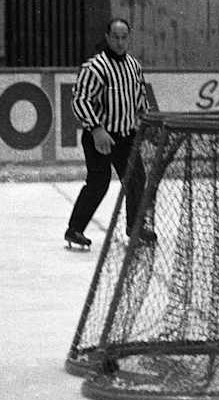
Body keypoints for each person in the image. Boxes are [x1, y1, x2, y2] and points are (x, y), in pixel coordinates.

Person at [65, 19, 154, 249]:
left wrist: (147, 120)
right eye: (116, 37)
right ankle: (74, 230)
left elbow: (140, 98)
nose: (120, 42)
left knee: (136, 180)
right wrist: (96, 129)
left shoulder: (134, 66)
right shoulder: (94, 67)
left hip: (126, 136)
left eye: (124, 37)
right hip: (100, 137)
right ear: (107, 37)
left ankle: (135, 227)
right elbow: (80, 100)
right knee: (98, 182)